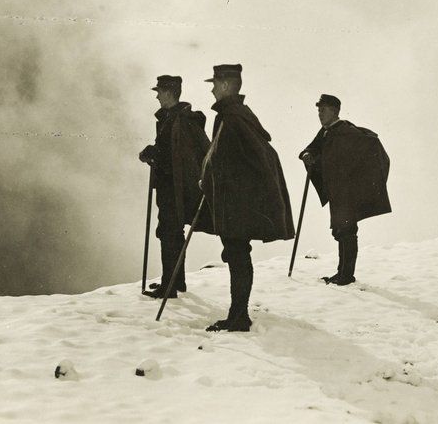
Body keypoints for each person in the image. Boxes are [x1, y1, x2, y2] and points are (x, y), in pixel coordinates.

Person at [196, 64, 295, 332]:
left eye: (215, 84)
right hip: (237, 201)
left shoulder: (232, 118)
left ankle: (239, 317)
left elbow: (235, 161)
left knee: (237, 255)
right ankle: (238, 314)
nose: (212, 89)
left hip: (236, 204)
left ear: (226, 85)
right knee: (237, 254)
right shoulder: (236, 115)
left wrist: (212, 178)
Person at [299, 94, 391, 286]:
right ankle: (341, 273)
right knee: (340, 230)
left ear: (334, 111)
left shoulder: (346, 130)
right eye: (318, 110)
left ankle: (346, 276)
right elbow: (313, 148)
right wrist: (307, 154)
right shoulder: (326, 132)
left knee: (347, 230)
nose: (320, 114)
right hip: (337, 192)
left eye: (323, 110)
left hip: (347, 192)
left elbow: (369, 145)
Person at [138, 75, 211, 299]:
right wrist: (154, 153)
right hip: (174, 187)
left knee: (169, 233)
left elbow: (175, 157)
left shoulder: (178, 120)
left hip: (172, 189)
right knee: (173, 232)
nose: (157, 96)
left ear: (169, 93)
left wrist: (154, 154)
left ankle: (169, 286)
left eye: (159, 92)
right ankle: (176, 282)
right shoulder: (176, 118)